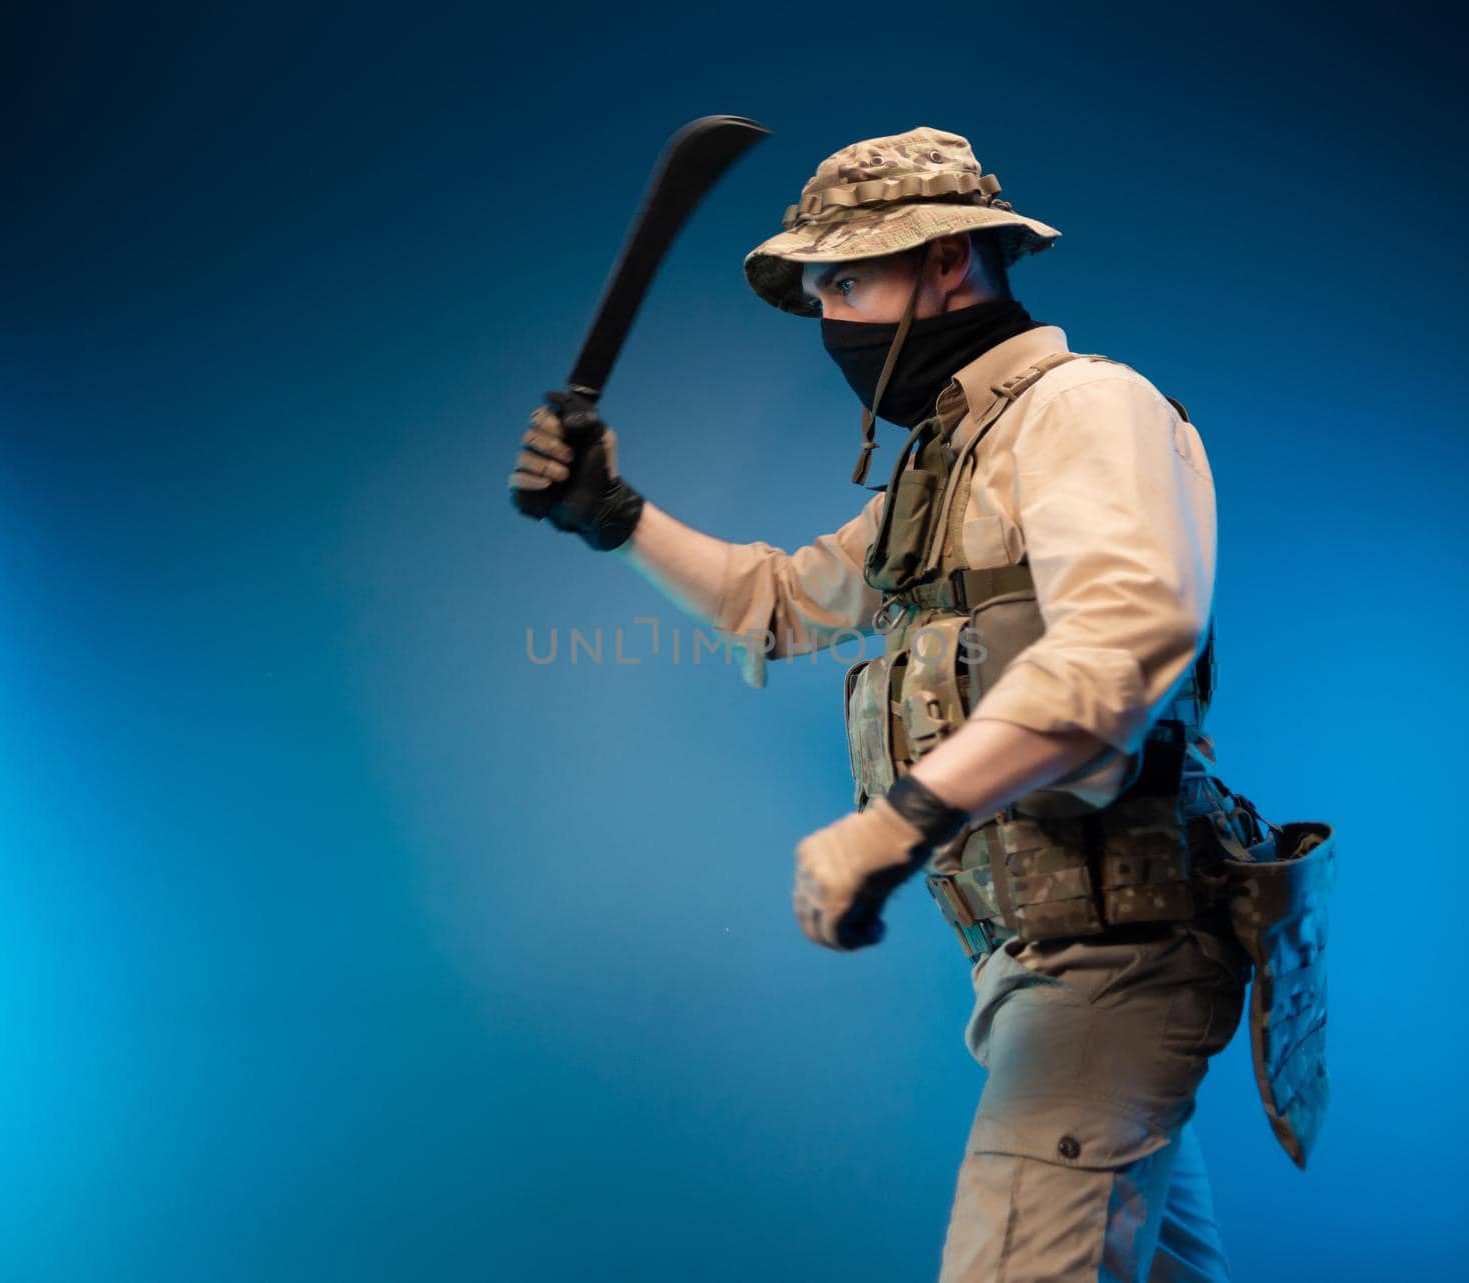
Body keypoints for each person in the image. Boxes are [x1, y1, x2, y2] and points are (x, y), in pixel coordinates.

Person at [509, 126, 1330, 1283]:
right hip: (1039, 957)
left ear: (950, 262)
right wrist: (614, 513)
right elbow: (782, 600)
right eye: (820, 287)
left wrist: (894, 821)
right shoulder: (950, 462)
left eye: (850, 277)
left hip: (1116, 954)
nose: (832, 315)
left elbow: (1124, 639)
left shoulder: (1082, 408)